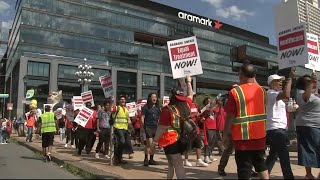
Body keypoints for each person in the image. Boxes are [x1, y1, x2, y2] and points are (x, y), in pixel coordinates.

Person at [223, 63, 269, 179]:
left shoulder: (235, 92)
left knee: (244, 169)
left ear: (241, 75)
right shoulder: (263, 91)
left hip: (243, 139)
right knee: (260, 164)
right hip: (260, 136)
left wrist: (226, 133)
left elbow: (230, 116)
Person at [152, 75, 193, 179]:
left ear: (172, 96)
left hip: (169, 141)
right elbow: (191, 95)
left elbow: (161, 127)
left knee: (174, 165)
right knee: (175, 164)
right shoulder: (187, 105)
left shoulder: (167, 110)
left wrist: (154, 142)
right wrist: (188, 82)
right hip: (182, 139)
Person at [265, 71, 295, 179]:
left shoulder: (277, 96)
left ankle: (265, 171)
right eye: (278, 81)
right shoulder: (271, 93)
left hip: (280, 128)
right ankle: (289, 177)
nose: (281, 83)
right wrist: (290, 79)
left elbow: (286, 103)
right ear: (271, 83)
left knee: (274, 153)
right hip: (275, 129)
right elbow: (286, 94)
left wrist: (292, 108)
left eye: (281, 81)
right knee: (284, 155)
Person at [295, 73, 320, 179]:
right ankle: (308, 174)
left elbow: (314, 90)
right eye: (307, 81)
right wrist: (311, 83)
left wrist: (315, 81)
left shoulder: (313, 93)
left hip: (316, 125)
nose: (310, 82)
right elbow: (306, 97)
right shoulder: (301, 93)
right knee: (308, 150)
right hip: (308, 125)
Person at [184, 93, 208, 167]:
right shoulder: (186, 106)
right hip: (188, 128)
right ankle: (186, 160)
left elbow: (197, 116)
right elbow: (185, 117)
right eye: (193, 96)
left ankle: (198, 160)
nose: (194, 98)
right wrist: (194, 115)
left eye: (194, 97)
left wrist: (200, 119)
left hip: (196, 127)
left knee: (198, 143)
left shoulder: (195, 106)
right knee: (188, 144)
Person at [112, 95, 133, 165]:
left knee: (125, 143)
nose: (122, 100)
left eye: (124, 99)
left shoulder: (126, 109)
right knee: (121, 142)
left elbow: (128, 119)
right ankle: (116, 157)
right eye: (121, 99)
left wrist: (131, 127)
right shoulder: (116, 108)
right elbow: (110, 110)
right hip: (118, 128)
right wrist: (111, 101)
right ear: (118, 101)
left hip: (125, 129)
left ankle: (120, 158)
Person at [141, 93, 161, 166]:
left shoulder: (158, 108)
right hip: (148, 127)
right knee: (149, 143)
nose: (154, 98)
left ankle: (151, 159)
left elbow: (159, 118)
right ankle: (146, 159)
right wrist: (143, 127)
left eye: (155, 97)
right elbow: (142, 117)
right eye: (153, 97)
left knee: (154, 144)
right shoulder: (146, 107)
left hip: (155, 127)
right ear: (150, 98)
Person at [201, 97, 218, 163]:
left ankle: (209, 154)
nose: (209, 102)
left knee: (213, 142)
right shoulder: (205, 109)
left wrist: (217, 104)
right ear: (205, 102)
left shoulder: (211, 109)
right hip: (208, 126)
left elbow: (216, 110)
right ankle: (206, 156)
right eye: (208, 101)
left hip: (214, 127)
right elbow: (210, 110)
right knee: (207, 142)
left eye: (210, 101)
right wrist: (216, 104)